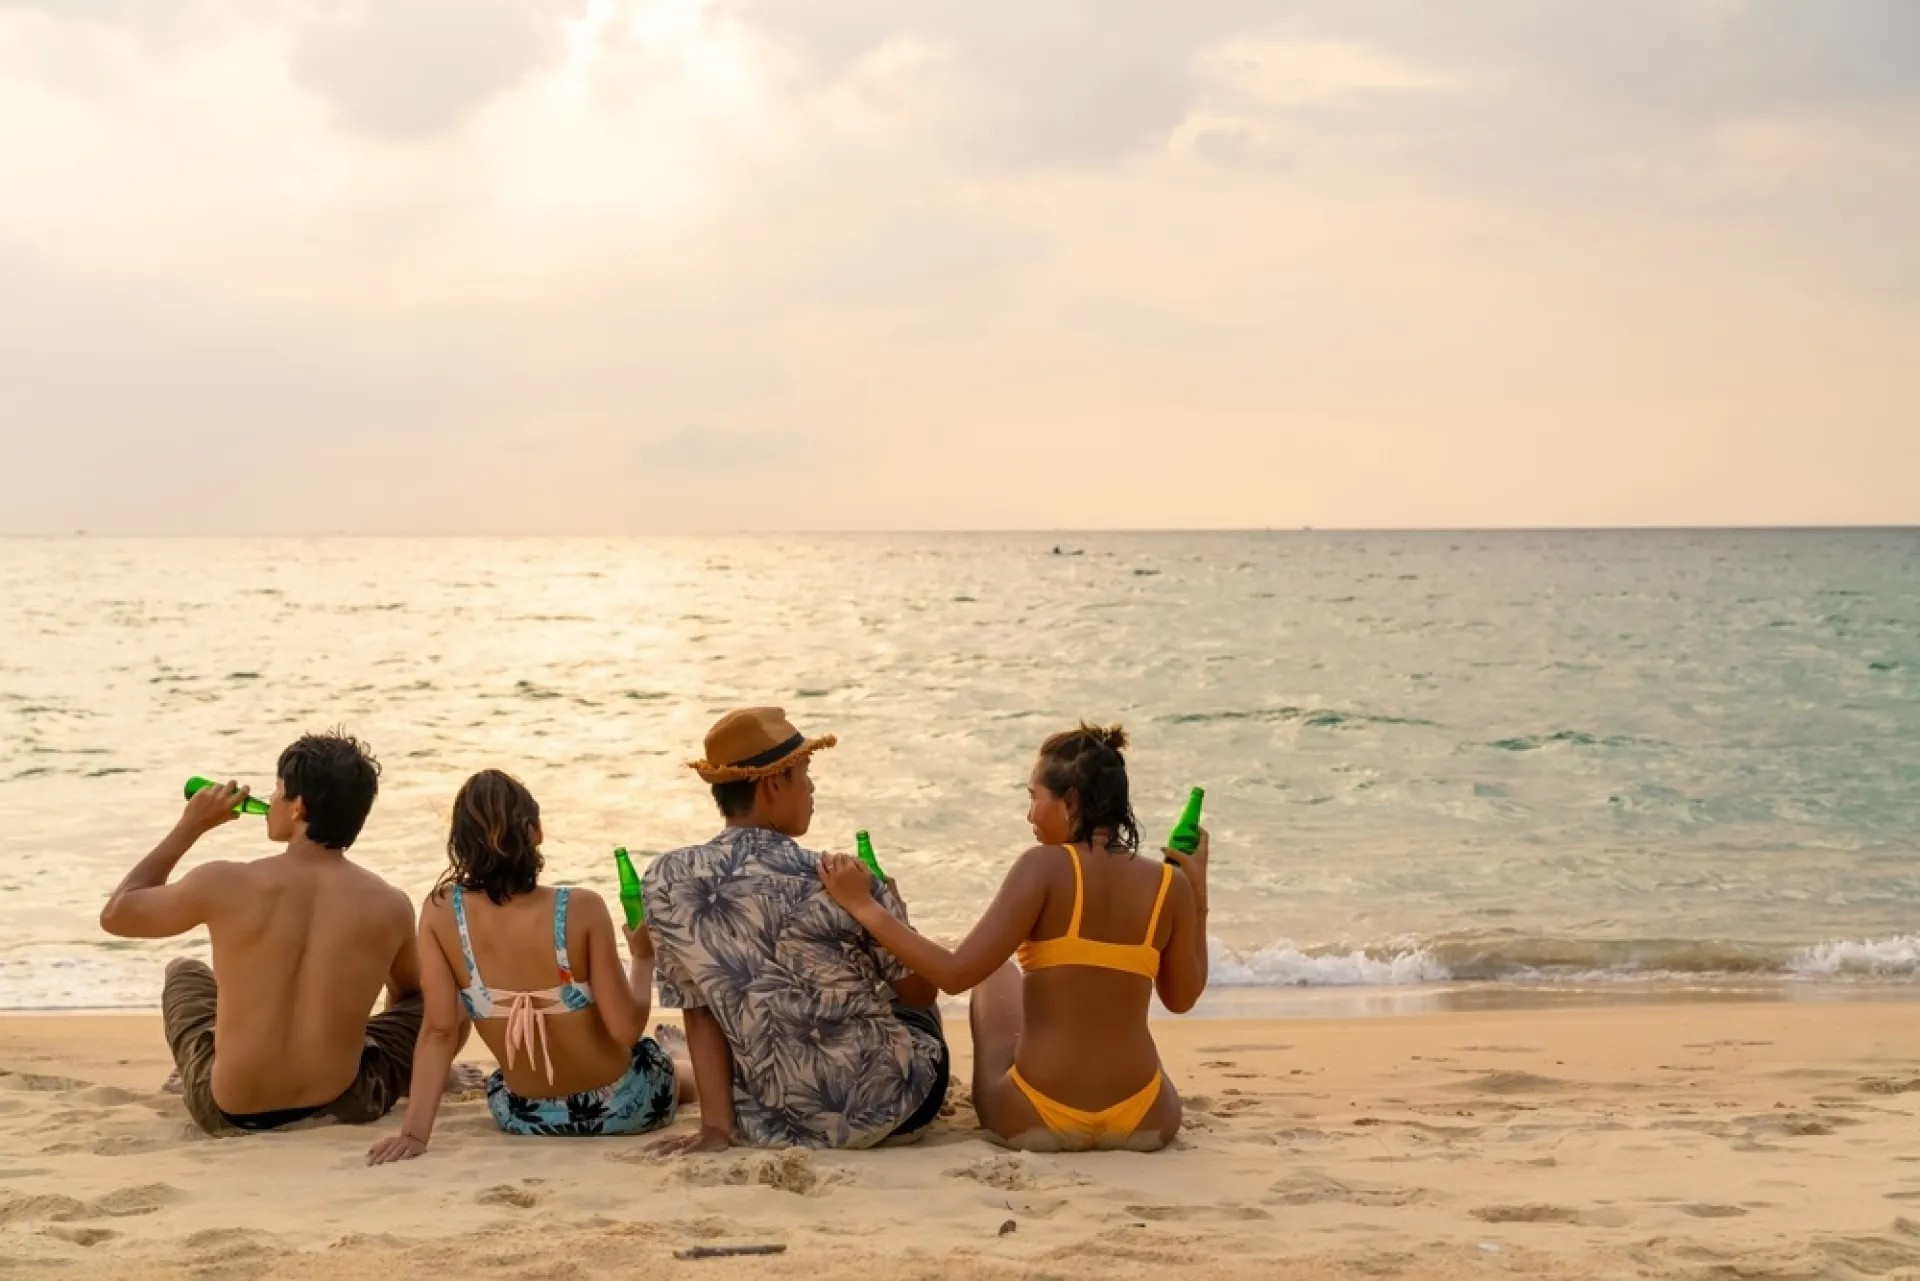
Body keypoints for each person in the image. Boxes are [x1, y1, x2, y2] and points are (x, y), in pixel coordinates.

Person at [817, 723, 1209, 1151]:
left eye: (1034, 798)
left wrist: (865, 906)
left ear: (1070, 802)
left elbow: (954, 975)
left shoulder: (1043, 866)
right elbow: (1181, 998)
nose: (1029, 815)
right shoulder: (1170, 885)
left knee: (994, 975)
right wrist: (1197, 889)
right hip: (1146, 1118)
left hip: (1036, 1115)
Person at [100, 732, 439, 1136]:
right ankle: (410, 1070)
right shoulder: (390, 903)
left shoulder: (223, 882)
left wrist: (191, 825)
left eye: (276, 791)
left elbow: (117, 914)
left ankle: (206, 1057)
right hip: (345, 1102)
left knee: (183, 971)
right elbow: (409, 996)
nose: (270, 802)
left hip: (225, 1110)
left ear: (298, 807)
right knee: (433, 996)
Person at [643, 707, 949, 1152]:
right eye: (805, 773)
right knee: (908, 1004)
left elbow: (699, 1009)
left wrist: (716, 1130)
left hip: (773, 1121)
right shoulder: (838, 879)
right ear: (773, 783)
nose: (811, 787)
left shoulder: (666, 880)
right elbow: (921, 993)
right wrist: (894, 916)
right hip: (892, 1107)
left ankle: (692, 1074)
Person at [366, 770, 688, 1163]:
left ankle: (677, 1057)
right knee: (669, 1071)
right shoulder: (581, 908)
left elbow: (438, 1031)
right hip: (624, 1107)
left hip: (524, 1114)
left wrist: (414, 1134)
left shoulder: (442, 913)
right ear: (537, 832)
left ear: (459, 844)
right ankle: (681, 1059)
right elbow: (626, 1028)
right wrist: (643, 959)